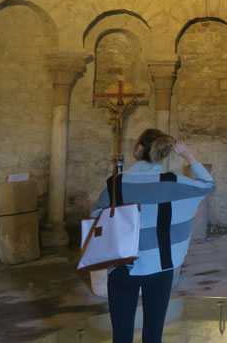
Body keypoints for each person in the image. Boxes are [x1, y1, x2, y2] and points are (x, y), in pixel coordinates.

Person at [90, 128, 216, 343]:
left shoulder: (116, 183)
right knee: (153, 335)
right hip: (160, 266)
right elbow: (209, 186)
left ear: (139, 149)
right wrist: (189, 157)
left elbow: (96, 218)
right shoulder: (175, 183)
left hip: (122, 266)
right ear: (162, 154)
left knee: (121, 335)